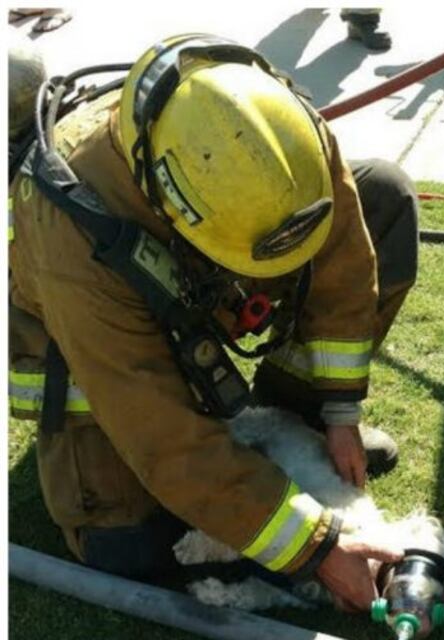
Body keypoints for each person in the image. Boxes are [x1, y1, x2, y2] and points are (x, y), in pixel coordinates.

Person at [8, 34, 419, 611]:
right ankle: (178, 477)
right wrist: (318, 550)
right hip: (100, 368)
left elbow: (343, 258)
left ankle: (291, 419)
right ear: (174, 206)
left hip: (179, 298)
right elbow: (158, 431)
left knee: (384, 192)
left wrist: (339, 410)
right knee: (133, 547)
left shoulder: (277, 124)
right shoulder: (67, 226)